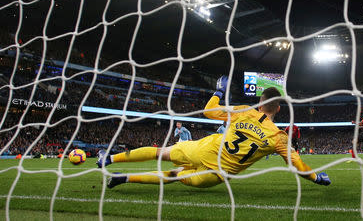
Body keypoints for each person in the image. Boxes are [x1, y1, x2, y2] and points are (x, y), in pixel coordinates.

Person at [97, 76, 331, 188]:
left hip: (203, 150)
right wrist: (316, 177)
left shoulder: (243, 111)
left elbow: (209, 111)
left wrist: (219, 91)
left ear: (260, 103)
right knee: (172, 175)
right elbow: (298, 166)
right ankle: (124, 178)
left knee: (161, 152)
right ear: (278, 108)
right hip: (215, 176)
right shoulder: (279, 137)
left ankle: (110, 159)